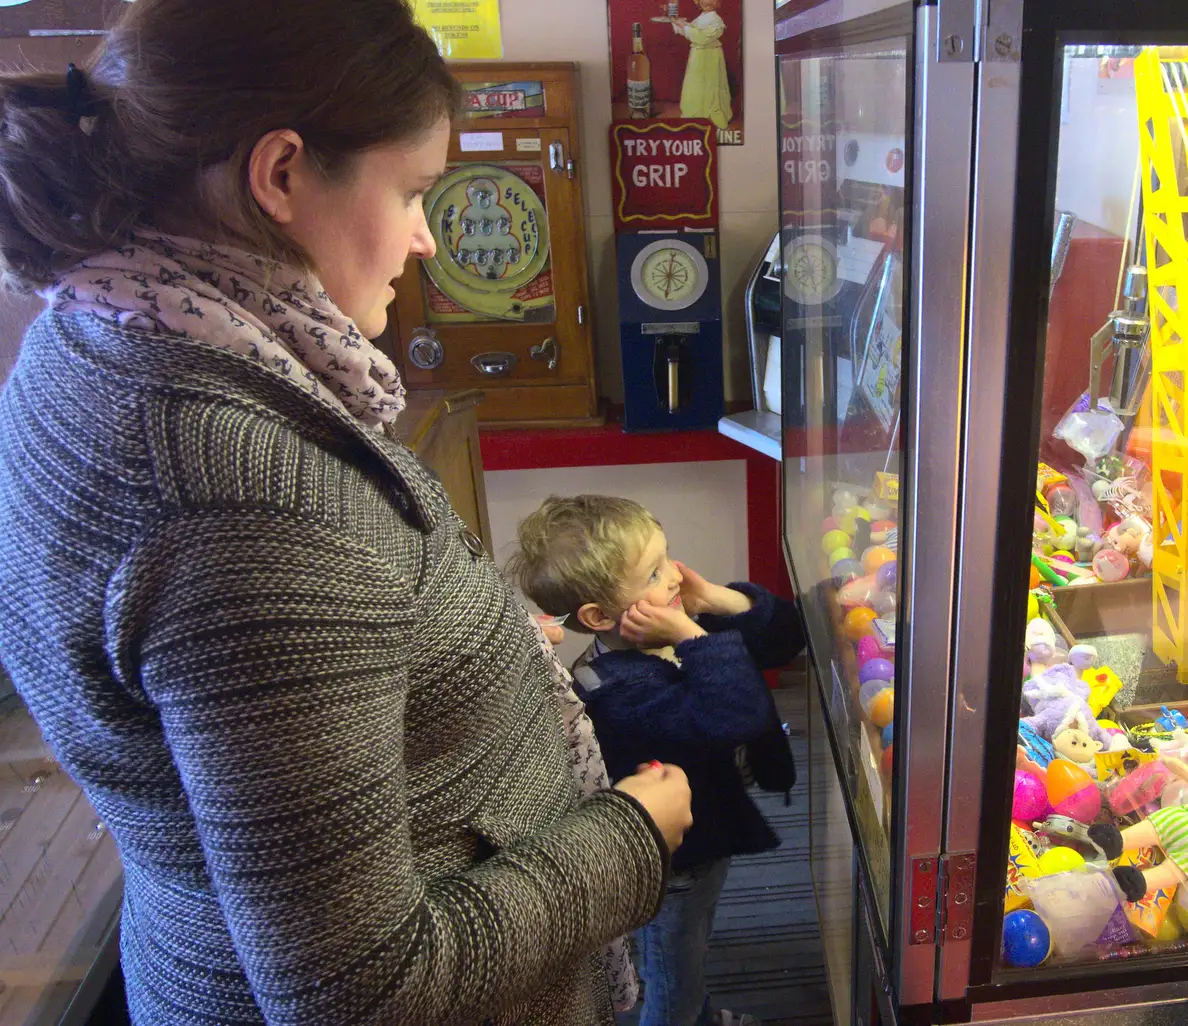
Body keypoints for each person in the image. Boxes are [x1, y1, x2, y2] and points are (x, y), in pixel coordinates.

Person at [0, 2, 692, 1024]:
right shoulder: (233, 494)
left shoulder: (98, 335)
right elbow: (360, 993)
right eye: (412, 190)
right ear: (280, 173)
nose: (423, 238)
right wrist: (629, 832)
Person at [510, 496, 802, 1026]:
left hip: (707, 836)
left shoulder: (668, 633)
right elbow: (737, 713)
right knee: (672, 974)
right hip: (677, 864)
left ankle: (701, 1013)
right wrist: (692, 635)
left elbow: (787, 636)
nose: (673, 577)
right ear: (598, 616)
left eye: (667, 558)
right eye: (653, 573)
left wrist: (716, 600)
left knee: (687, 953)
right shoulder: (619, 692)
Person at [671, 0, 734, 131]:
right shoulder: (701, 18)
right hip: (698, 56)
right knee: (696, 84)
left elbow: (701, 37)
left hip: (710, 56)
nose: (707, 2)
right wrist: (677, 23)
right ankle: (695, 114)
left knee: (710, 85)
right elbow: (690, 31)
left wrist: (684, 26)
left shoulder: (716, 20)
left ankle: (711, 117)